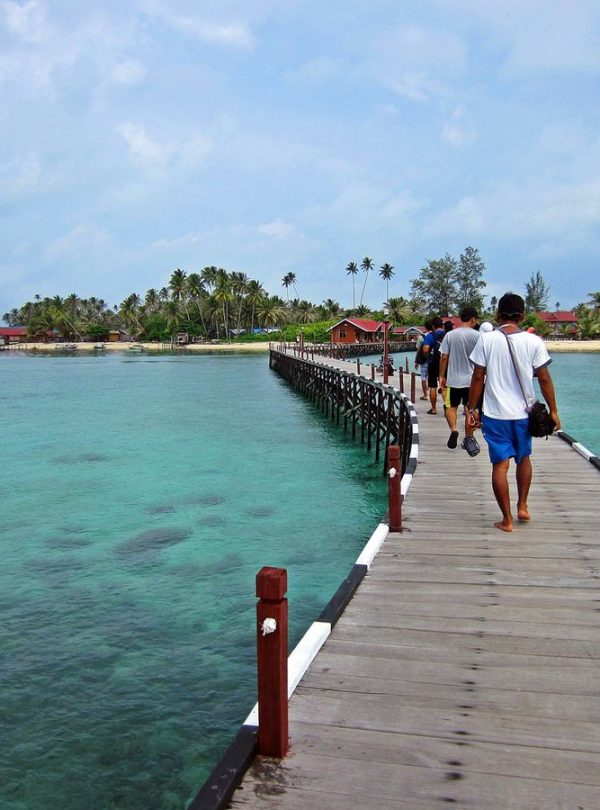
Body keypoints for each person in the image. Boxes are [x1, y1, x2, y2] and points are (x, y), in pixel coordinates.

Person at [466, 292, 560, 533]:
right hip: (524, 413)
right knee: (524, 458)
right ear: (523, 315)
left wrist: (471, 408)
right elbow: (544, 378)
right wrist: (553, 411)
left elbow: (478, 376)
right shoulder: (534, 341)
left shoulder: (487, 340)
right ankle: (523, 506)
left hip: (495, 414)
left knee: (500, 466)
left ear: (498, 314)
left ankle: (507, 520)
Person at [438, 306, 480, 450]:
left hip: (453, 380)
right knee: (470, 409)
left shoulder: (450, 335)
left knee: (451, 407)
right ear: (473, 319)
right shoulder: (478, 336)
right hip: (472, 381)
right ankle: (469, 437)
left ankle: (454, 430)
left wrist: (441, 376)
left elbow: (444, 357)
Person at [421, 317, 445, 414]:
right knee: (444, 385)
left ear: (433, 326)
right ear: (442, 325)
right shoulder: (447, 335)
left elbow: (425, 349)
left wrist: (428, 355)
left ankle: (434, 409)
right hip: (444, 362)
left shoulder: (431, 336)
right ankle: (447, 409)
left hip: (433, 362)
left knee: (433, 386)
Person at [414, 323, 430, 401]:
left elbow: (418, 350)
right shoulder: (435, 336)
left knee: (423, 377)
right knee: (432, 377)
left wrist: (416, 361)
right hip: (433, 360)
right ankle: (433, 393)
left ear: (426, 328)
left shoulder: (421, 337)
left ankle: (425, 395)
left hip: (423, 360)